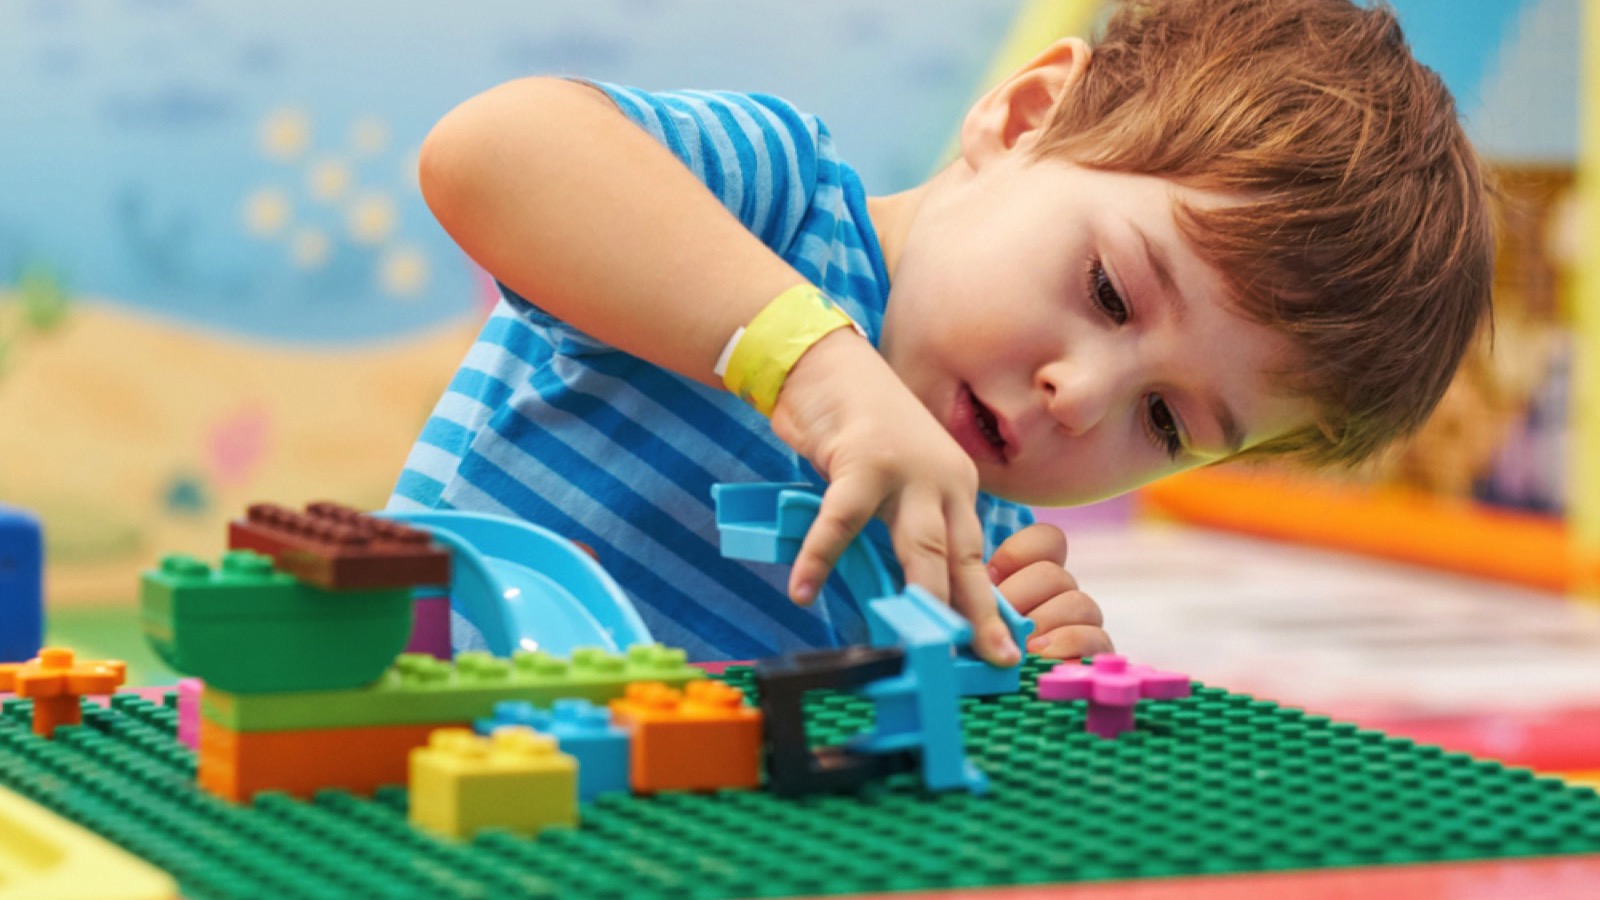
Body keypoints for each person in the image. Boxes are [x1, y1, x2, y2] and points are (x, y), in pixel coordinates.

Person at [388, 0, 1493, 665]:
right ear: (1021, 121)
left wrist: (995, 676)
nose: (1082, 396)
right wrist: (813, 367)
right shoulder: (776, 204)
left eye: (1164, 419)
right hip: (385, 754)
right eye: (1109, 291)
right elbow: (495, 149)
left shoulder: (979, 531)